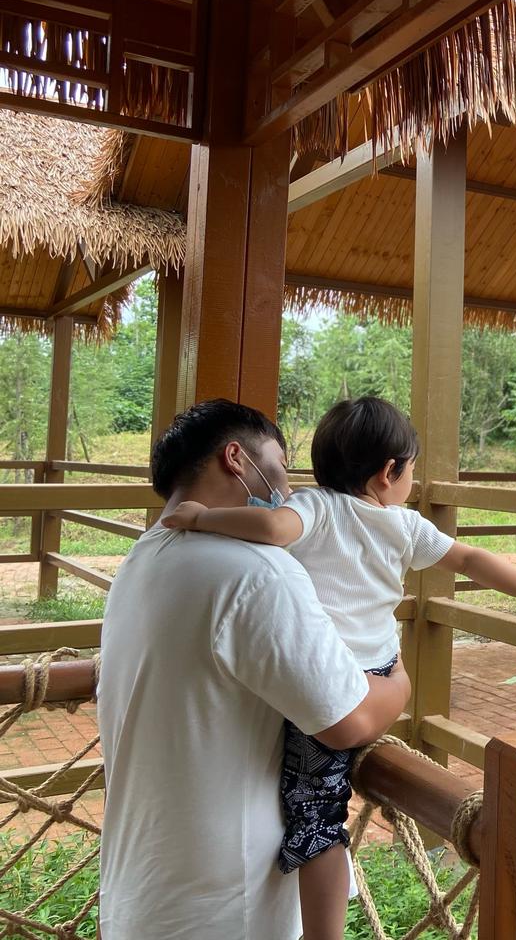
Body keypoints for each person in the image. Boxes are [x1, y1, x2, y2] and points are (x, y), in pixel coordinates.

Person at [163, 396, 516, 940]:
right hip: (376, 669)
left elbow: (274, 529)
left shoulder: (316, 506)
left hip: (325, 679)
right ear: (388, 472)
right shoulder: (406, 526)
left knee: (315, 818)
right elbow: (469, 559)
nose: (412, 483)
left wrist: (202, 517)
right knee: (324, 804)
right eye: (412, 470)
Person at [97, 400, 412, 940]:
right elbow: (349, 720)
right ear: (236, 459)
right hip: (225, 907)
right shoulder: (256, 573)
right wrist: (399, 679)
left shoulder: (144, 557)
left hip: (139, 894)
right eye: (281, 468)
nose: (287, 490)